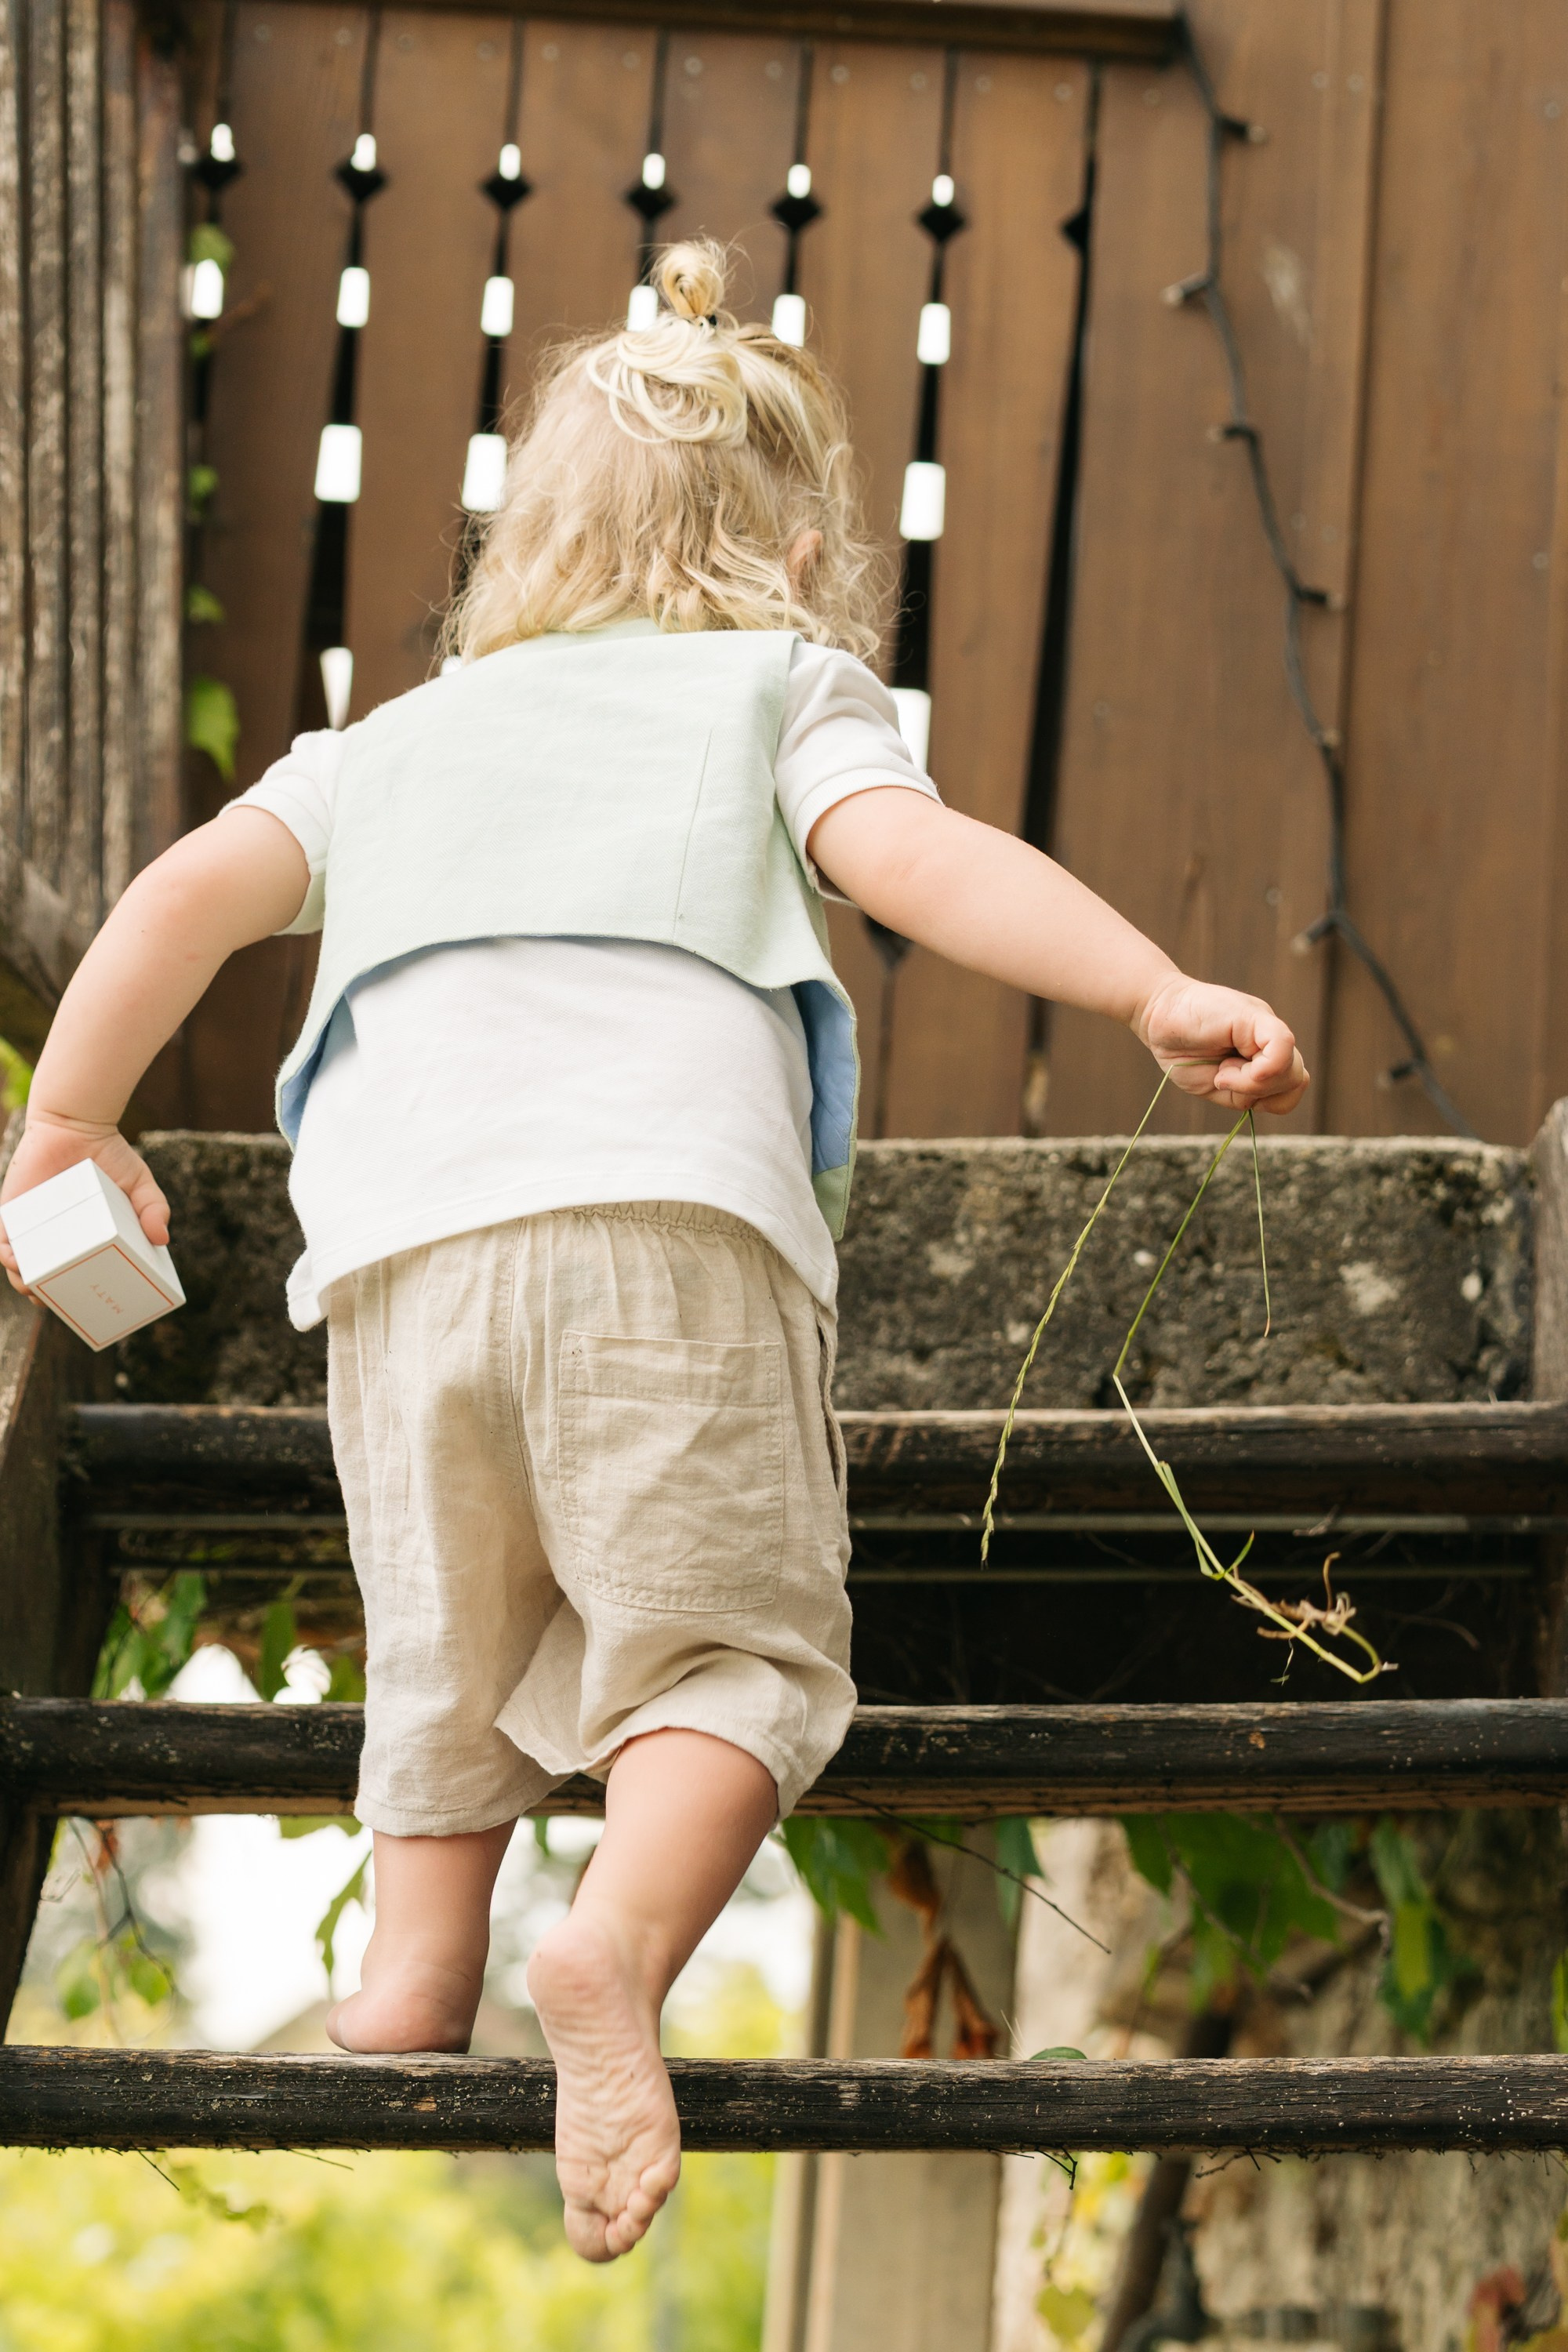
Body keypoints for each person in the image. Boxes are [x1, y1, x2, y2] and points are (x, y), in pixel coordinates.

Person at [0, 239, 1308, 2263]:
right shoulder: (778, 690)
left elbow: (181, 894)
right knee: (737, 1656)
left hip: (403, 1257)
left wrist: (68, 1124)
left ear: (524, 546)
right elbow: (919, 862)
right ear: (801, 558)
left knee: (443, 1661)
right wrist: (1149, 987)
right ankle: (612, 1941)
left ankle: (411, 1986)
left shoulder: (387, 745)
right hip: (668, 1222)